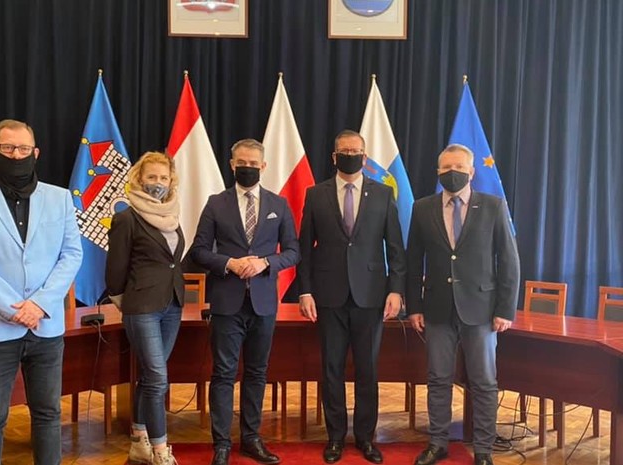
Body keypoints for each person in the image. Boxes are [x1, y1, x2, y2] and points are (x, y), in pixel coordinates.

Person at [0, 119, 82, 465]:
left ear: (35, 153)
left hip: (45, 326)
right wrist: (14, 309)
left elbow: (71, 255)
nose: (16, 155)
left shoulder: (60, 198)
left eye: (23, 149)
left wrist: (38, 304)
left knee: (48, 414)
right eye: (7, 148)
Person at [406, 144, 520, 465]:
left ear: (471, 172)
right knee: (438, 379)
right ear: (438, 172)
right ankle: (438, 443)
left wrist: (505, 309)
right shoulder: (422, 208)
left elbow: (509, 261)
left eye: (458, 167)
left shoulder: (493, 206)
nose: (451, 172)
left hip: (482, 310)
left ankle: (483, 450)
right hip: (437, 309)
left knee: (483, 382)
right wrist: (414, 306)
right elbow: (413, 261)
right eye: (446, 168)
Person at [297, 129, 406, 464]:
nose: (350, 155)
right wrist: (305, 290)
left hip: (371, 296)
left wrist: (396, 290)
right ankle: (334, 437)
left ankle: (365, 438)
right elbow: (304, 249)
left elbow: (396, 248)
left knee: (367, 369)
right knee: (331, 369)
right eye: (344, 151)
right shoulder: (315, 194)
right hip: (328, 296)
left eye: (355, 151)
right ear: (334, 157)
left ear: (365, 155)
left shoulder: (383, 194)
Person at [191, 138, 299, 465]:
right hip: (227, 302)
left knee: (257, 372)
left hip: (263, 303)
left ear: (263, 166)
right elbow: (199, 251)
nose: (248, 168)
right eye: (242, 163)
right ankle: (222, 443)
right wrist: (229, 263)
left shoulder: (279, 204)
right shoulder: (215, 203)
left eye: (254, 163)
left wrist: (266, 262)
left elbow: (293, 252)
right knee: (223, 373)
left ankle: (251, 438)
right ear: (232, 164)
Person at [106, 151, 185, 465]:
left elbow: (172, 262)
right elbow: (115, 271)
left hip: (172, 305)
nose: (158, 183)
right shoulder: (126, 218)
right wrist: (127, 305)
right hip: (142, 308)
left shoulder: (172, 215)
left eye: (163, 177)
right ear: (139, 179)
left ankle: (139, 441)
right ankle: (161, 451)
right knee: (158, 379)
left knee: (152, 378)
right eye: (151, 177)